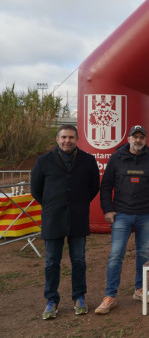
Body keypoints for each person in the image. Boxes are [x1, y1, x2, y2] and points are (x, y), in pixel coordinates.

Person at [94, 125, 149, 315]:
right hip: (122, 214)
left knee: (143, 252)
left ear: (145, 140)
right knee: (116, 255)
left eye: (141, 137)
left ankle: (139, 290)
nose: (138, 140)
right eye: (134, 137)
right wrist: (108, 210)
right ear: (128, 139)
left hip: (146, 214)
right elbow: (105, 187)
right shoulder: (116, 159)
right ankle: (110, 296)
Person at [31, 125, 100, 320]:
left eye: (71, 137)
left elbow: (93, 187)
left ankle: (79, 297)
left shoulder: (88, 160)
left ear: (77, 139)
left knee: (78, 260)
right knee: (52, 262)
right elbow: (36, 190)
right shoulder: (43, 161)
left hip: (78, 217)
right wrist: (53, 204)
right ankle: (51, 300)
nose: (67, 141)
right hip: (53, 219)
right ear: (57, 139)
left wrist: (79, 203)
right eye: (63, 137)